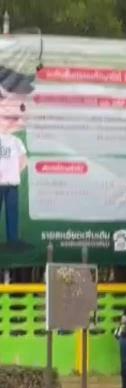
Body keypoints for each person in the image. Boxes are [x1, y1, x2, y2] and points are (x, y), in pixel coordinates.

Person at [0, 66, 33, 253]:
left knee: (12, 211)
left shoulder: (16, 141)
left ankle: (13, 240)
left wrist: (14, 172)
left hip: (12, 183)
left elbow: (24, 160)